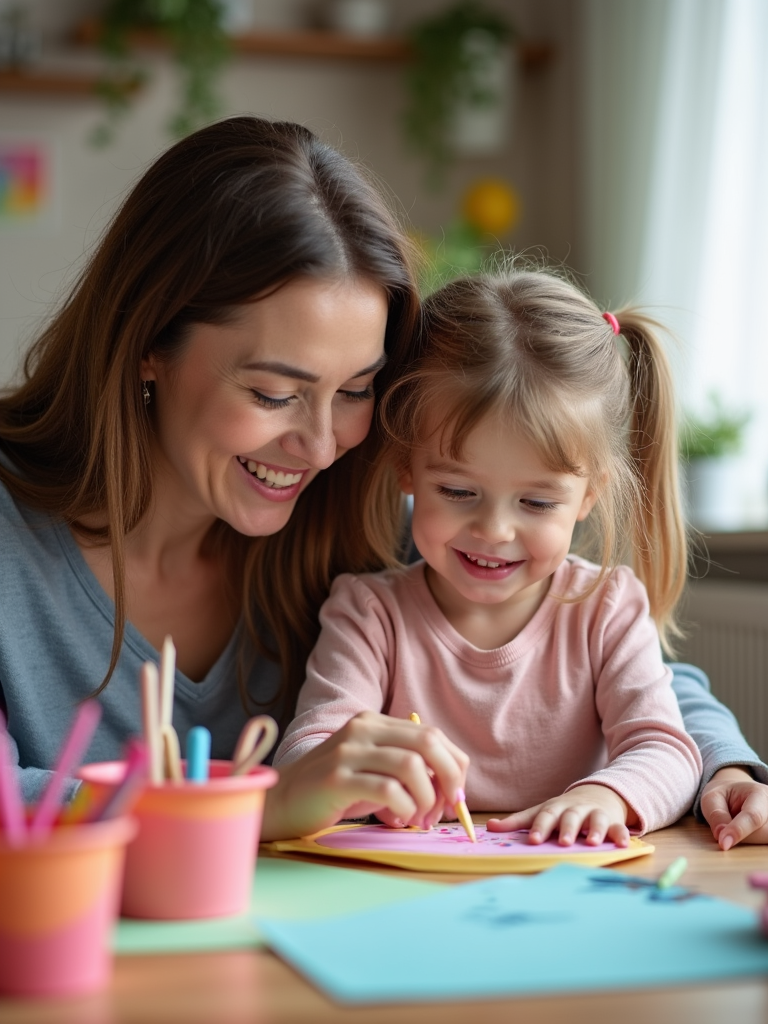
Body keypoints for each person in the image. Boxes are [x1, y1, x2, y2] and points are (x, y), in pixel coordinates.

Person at [0, 118, 764, 847]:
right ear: (148, 343)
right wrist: (261, 803)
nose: (323, 443)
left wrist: (725, 768)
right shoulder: (15, 543)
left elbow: (636, 677)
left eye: (357, 389)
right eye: (273, 393)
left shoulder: (377, 524)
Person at [274, 267, 768, 847]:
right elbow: (307, 754)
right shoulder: (366, 614)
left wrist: (606, 795)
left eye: (536, 501)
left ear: (589, 495)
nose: (494, 529)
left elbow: (665, 749)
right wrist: (352, 779)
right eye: (458, 492)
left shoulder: (607, 608)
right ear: (406, 468)